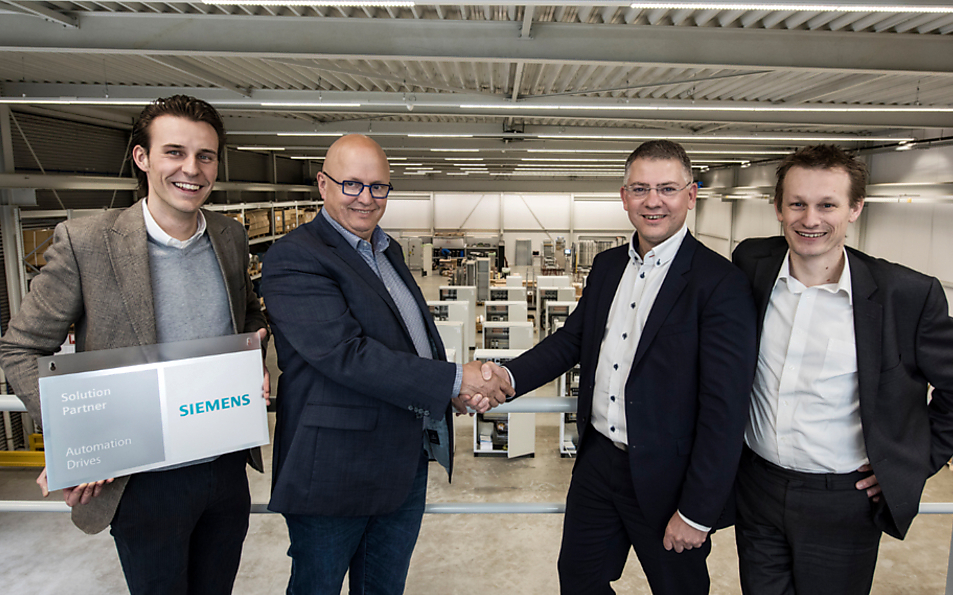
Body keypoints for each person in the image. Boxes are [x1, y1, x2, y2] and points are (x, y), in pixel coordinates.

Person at [0, 94, 270, 594]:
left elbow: (249, 315)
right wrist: (78, 436)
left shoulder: (229, 237)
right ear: (142, 158)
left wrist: (255, 349)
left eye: (205, 156)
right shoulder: (86, 242)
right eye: (175, 152)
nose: (192, 169)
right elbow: (20, 348)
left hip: (224, 465)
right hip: (143, 479)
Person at [484, 139, 757, 594]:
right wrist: (506, 376)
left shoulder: (719, 282)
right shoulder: (608, 266)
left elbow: (725, 409)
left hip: (670, 477)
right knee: (579, 579)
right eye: (640, 188)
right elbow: (572, 340)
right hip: (598, 463)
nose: (653, 201)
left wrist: (697, 511)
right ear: (624, 196)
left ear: (691, 195)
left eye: (667, 189)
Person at [731, 144, 953, 595]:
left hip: (843, 502)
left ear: (855, 208)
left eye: (827, 205)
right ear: (778, 208)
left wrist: (908, 463)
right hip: (757, 488)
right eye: (797, 204)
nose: (810, 219)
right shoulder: (752, 264)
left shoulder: (903, 295)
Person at [260, 133, 511, 595]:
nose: (366, 198)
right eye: (352, 184)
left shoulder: (386, 249)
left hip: (401, 465)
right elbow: (346, 354)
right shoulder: (295, 257)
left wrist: (445, 389)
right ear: (323, 184)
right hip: (334, 472)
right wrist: (455, 379)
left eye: (378, 187)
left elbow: (409, 341)